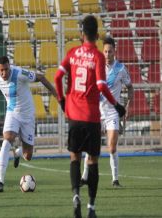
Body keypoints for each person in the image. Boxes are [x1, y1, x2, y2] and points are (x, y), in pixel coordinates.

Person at [54, 15, 126, 218]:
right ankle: (91, 207)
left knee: (74, 157)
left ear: (81, 33)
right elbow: (102, 85)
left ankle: (76, 195)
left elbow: (58, 77)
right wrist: (117, 105)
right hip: (92, 116)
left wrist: (62, 100)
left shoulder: (72, 52)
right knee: (93, 160)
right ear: (97, 34)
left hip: (74, 115)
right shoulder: (98, 56)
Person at [0, 56, 58, 192]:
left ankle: (17, 153)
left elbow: (41, 77)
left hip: (28, 116)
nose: (4, 73)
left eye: (6, 69)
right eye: (1, 71)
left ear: (9, 67)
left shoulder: (20, 73)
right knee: (7, 139)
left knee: (27, 156)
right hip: (12, 113)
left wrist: (56, 94)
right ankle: (0, 181)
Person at [81, 37, 134, 188]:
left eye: (110, 51)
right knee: (91, 145)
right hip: (96, 113)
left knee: (111, 147)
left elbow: (130, 87)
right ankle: (84, 177)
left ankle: (115, 179)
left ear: (114, 52)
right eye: (105, 51)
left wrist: (128, 106)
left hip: (112, 113)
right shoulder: (96, 67)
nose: (107, 54)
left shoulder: (121, 69)